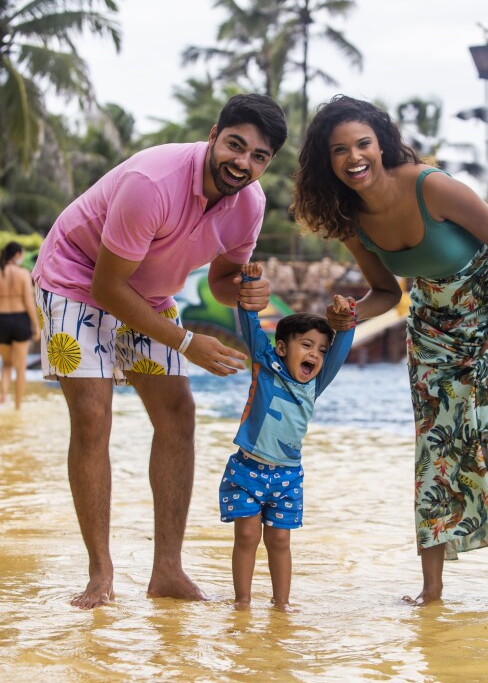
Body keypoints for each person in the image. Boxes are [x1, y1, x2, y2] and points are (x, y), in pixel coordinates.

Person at [31, 93, 288, 610]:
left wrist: (245, 288)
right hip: (75, 276)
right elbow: (106, 289)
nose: (243, 163)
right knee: (92, 414)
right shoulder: (153, 183)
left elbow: (219, 281)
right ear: (214, 135)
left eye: (259, 156)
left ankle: (167, 570)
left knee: (177, 413)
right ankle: (101, 574)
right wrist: (187, 342)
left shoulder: (250, 204)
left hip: (145, 294)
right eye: (235, 145)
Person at [292, 94, 488, 609]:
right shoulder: (351, 220)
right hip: (431, 327)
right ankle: (432, 591)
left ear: (381, 146)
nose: (353, 157)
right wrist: (348, 316)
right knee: (434, 450)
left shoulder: (430, 186)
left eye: (363, 143)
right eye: (339, 150)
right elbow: (386, 293)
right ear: (328, 161)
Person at [219, 262, 355, 610]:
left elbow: (339, 353)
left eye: (320, 350)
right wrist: (249, 282)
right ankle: (243, 602)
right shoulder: (266, 364)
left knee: (280, 539)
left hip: (287, 476)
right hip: (247, 470)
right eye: (306, 345)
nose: (314, 354)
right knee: (247, 535)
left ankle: (281, 605)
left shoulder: (314, 385)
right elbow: (249, 324)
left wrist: (348, 319)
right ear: (281, 348)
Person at [0, 242, 41, 409]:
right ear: (17, 254)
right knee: (21, 368)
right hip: (19, 321)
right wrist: (36, 326)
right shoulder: (23, 273)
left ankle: (3, 396)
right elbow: (29, 302)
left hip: (1, 320)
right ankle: (18, 406)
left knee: (7, 364)